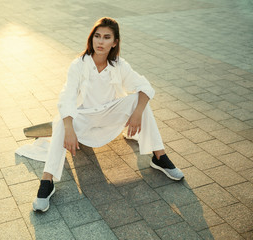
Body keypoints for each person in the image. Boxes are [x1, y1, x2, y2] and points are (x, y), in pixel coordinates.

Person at [31, 17, 184, 212]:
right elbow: (67, 97)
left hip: (110, 114)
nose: (100, 41)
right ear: (91, 38)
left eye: (106, 37)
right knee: (61, 122)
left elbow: (145, 86)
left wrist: (137, 112)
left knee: (140, 100)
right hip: (83, 117)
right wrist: (69, 128)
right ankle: (47, 181)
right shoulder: (78, 65)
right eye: (97, 36)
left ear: (115, 42)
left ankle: (159, 157)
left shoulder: (119, 65)